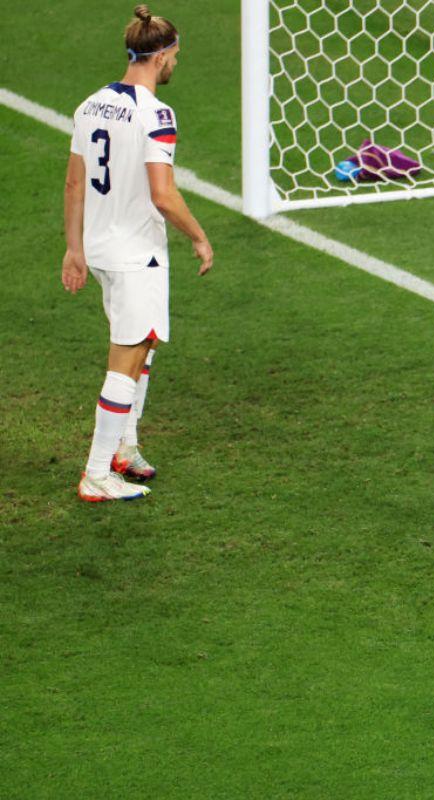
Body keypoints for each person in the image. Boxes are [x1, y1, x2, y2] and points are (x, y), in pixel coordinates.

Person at [62, 4, 212, 501]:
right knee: (127, 357)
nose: (175, 65)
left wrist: (73, 249)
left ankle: (125, 447)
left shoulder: (90, 105)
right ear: (161, 55)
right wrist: (198, 235)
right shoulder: (156, 115)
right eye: (175, 57)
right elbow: (163, 195)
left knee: (141, 348)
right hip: (136, 255)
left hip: (102, 249)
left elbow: (74, 181)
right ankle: (98, 472)